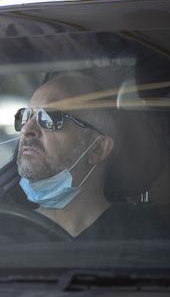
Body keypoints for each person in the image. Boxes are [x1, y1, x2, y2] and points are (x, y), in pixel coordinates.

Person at [15, 73, 169, 239]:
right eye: (25, 115)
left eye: (48, 118)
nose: (26, 129)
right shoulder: (0, 228)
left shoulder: (145, 243)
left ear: (98, 149)